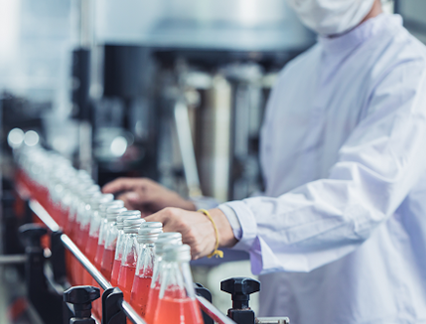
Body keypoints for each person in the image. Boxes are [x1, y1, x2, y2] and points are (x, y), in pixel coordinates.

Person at [103, 0, 426, 323]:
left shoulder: (409, 70)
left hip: (371, 310)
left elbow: (356, 203)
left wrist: (221, 223)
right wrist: (195, 214)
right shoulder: (296, 76)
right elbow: (282, 211)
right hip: (285, 311)